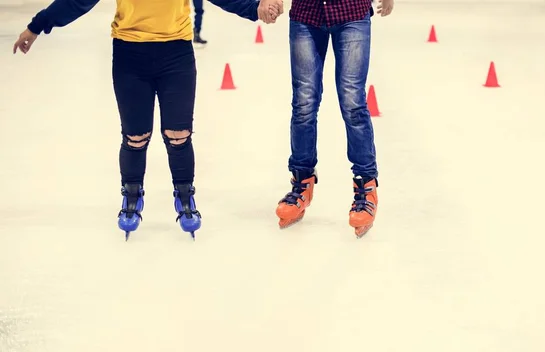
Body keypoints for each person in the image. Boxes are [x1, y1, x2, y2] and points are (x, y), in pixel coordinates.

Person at [13, 0, 283, 240]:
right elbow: (77, 2)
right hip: (130, 56)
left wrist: (256, 6)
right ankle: (132, 196)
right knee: (135, 137)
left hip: (176, 54)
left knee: (179, 134)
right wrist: (38, 25)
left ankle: (185, 196)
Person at [273, 0, 394, 238]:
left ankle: (365, 185)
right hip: (306, 15)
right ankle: (301, 182)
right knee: (303, 103)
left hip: (352, 13)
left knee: (352, 102)